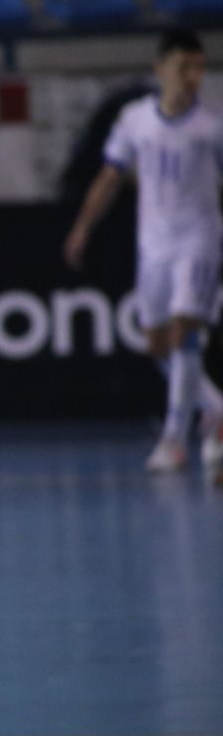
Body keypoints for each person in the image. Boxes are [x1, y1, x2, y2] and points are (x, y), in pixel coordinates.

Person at [64, 28, 223, 473]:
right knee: (155, 343)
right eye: (183, 67)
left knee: (184, 331)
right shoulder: (135, 120)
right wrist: (83, 227)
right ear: (160, 70)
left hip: (199, 238)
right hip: (152, 243)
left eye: (198, 68)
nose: (192, 77)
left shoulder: (211, 127)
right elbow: (110, 177)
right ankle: (216, 410)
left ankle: (174, 441)